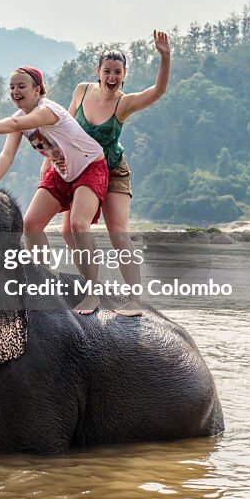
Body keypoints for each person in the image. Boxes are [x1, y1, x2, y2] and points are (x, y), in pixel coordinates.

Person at [0, 67, 108, 314]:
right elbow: (7, 153)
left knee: (78, 226)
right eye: (12, 87)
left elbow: (17, 122)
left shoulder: (47, 110)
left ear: (37, 90)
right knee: (31, 224)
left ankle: (93, 294)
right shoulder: (20, 118)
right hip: (62, 173)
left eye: (22, 86)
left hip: (90, 167)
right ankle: (44, 281)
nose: (15, 91)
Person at [61, 29, 170, 315]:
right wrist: (53, 160)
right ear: (98, 71)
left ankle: (135, 300)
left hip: (113, 171)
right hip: (82, 170)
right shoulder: (82, 91)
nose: (112, 77)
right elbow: (66, 127)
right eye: (107, 71)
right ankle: (90, 292)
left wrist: (165, 57)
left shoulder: (124, 102)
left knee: (118, 234)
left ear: (124, 75)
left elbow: (158, 91)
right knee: (71, 229)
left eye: (117, 72)